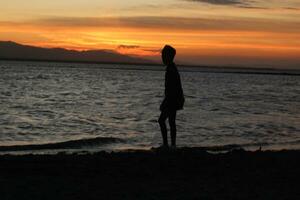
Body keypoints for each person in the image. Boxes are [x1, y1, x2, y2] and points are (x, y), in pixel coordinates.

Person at [158, 45, 184, 148]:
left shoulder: (171, 69)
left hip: (172, 99)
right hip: (175, 99)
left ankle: (166, 144)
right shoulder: (172, 68)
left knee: (162, 120)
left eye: (163, 55)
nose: (162, 57)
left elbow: (171, 89)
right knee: (171, 121)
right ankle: (172, 145)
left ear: (169, 56)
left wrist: (166, 102)